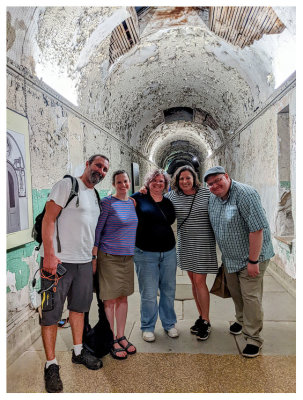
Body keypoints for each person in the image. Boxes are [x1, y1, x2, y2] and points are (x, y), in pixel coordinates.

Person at [40, 154, 109, 393]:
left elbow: (90, 230)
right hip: (57, 263)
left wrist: (91, 258)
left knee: (79, 309)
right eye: (98, 165)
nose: (100, 171)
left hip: (82, 263)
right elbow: (48, 219)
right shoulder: (67, 185)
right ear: (88, 164)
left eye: (105, 170)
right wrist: (49, 255)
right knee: (50, 314)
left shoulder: (95, 195)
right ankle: (50, 365)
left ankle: (78, 352)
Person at [204, 166, 275, 358]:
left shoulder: (245, 194)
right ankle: (242, 320)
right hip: (230, 257)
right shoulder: (213, 197)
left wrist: (253, 261)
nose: (215, 186)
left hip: (252, 257)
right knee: (236, 292)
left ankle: (253, 338)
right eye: (210, 184)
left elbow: (257, 229)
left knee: (250, 295)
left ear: (227, 177)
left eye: (218, 180)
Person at [166, 165, 218, 341]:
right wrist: (143, 192)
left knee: (199, 281)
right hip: (186, 243)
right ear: (177, 181)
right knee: (193, 283)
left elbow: (219, 208)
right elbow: (157, 200)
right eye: (181, 179)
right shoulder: (173, 195)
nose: (185, 181)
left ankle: (206, 320)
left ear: (194, 179)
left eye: (188, 178)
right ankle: (201, 316)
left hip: (203, 242)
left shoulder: (205, 194)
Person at [93, 170, 138, 359]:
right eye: (119, 182)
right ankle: (110, 338)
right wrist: (94, 256)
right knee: (110, 299)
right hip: (109, 256)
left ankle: (121, 335)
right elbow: (98, 229)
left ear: (129, 183)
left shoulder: (132, 203)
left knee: (123, 298)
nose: (123, 185)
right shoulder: (107, 203)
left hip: (127, 257)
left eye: (125, 181)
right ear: (114, 184)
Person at [132, 169, 178, 342]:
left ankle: (169, 324)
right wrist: (139, 191)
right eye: (154, 180)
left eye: (161, 181)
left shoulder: (168, 202)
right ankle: (148, 327)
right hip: (145, 253)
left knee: (168, 290)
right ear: (148, 182)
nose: (158, 184)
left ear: (166, 185)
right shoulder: (138, 198)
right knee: (149, 292)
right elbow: (124, 202)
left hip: (168, 251)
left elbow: (171, 220)